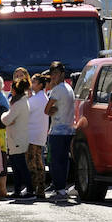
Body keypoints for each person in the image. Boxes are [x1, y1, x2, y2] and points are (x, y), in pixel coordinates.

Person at [45, 61, 77, 201]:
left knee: (55, 161)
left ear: (62, 74)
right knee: (64, 161)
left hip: (57, 131)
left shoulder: (57, 90)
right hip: (69, 129)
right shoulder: (69, 88)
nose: (53, 77)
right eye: (52, 74)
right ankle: (62, 188)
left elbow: (46, 109)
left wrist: (52, 110)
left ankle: (59, 189)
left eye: (56, 74)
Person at [2, 78, 33, 198]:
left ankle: (30, 190)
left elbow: (6, 120)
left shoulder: (19, 104)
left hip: (17, 139)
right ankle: (17, 190)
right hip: (16, 138)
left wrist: (4, 114)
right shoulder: (20, 102)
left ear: (15, 90)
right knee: (16, 166)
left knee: (21, 166)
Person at [25, 72, 49, 199]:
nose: (31, 84)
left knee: (32, 163)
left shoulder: (35, 99)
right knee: (39, 163)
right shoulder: (43, 97)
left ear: (40, 85)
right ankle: (40, 189)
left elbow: (25, 110)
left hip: (32, 135)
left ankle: (32, 188)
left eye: (34, 82)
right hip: (39, 135)